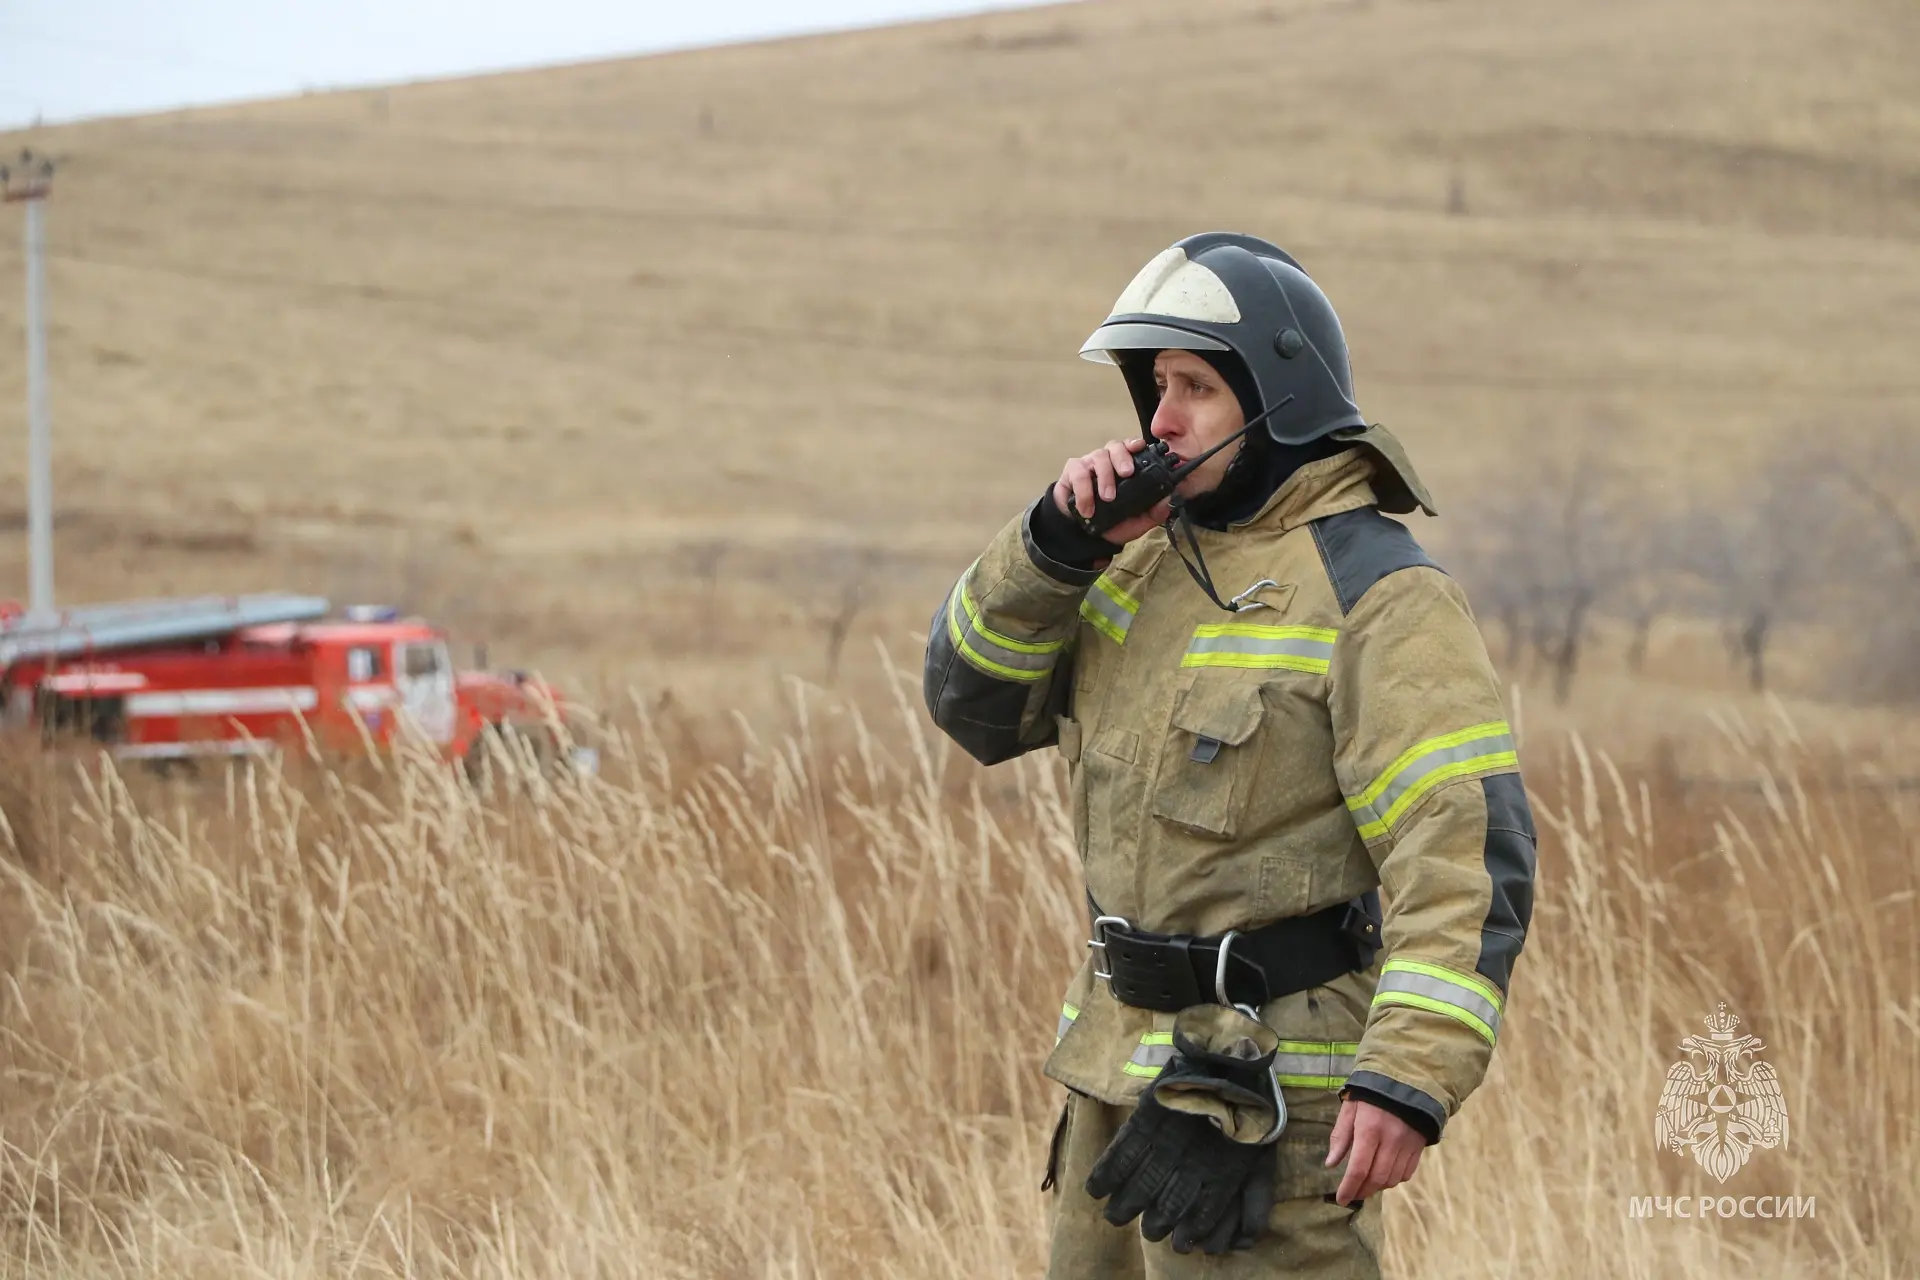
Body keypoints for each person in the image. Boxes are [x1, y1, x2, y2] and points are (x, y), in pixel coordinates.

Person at [921, 232, 1538, 1277]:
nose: (1160, 421)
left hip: (1277, 1106)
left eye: (1195, 387)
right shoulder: (1134, 564)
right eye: (1156, 387)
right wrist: (1055, 546)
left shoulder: (1379, 592)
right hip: (1113, 1083)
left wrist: (1407, 1079)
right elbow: (971, 707)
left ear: (1278, 400)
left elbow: (1464, 847)